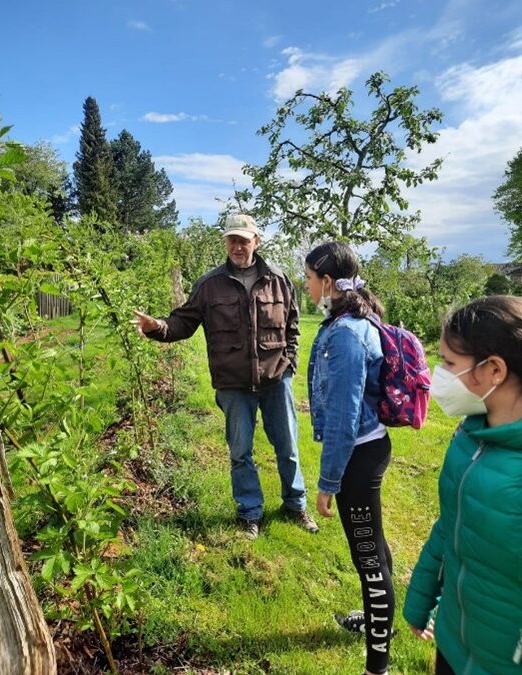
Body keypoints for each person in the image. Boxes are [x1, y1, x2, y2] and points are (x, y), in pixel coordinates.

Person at [132, 214, 318, 541]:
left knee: (287, 446)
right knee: (240, 451)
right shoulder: (209, 285)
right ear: (226, 243)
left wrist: (289, 363)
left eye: (243, 240)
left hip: (276, 380)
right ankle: (249, 513)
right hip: (233, 385)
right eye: (232, 239)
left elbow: (292, 324)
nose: (237, 246)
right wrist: (157, 328)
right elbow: (183, 323)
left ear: (256, 241)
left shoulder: (278, 279)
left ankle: (296, 504)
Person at [404, 295, 522, 675]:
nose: (437, 375)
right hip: (453, 645)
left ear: (494, 371)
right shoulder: (470, 435)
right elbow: (450, 525)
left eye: (449, 364)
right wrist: (421, 597)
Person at [304, 241, 394, 675]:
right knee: (373, 547)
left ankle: (377, 665)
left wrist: (328, 483)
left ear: (327, 282)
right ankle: (380, 621)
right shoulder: (353, 320)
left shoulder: (344, 333)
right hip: (367, 447)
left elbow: (342, 417)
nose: (305, 285)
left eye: (308, 277)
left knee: (368, 557)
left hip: (358, 455)